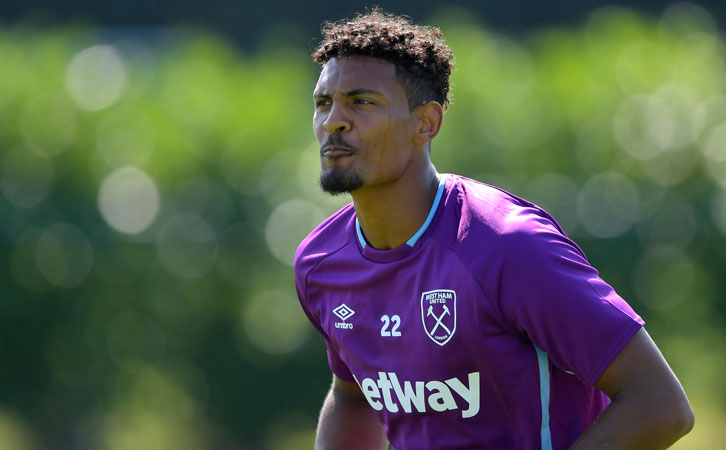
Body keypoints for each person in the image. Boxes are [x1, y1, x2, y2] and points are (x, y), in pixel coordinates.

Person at [294, 10, 694, 450]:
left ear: (425, 123)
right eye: (322, 103)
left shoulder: (507, 246)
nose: (333, 121)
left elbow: (660, 405)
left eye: (361, 101)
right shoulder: (320, 263)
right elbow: (353, 395)